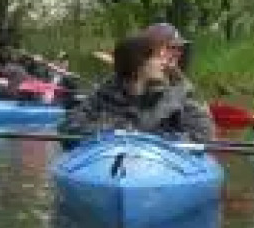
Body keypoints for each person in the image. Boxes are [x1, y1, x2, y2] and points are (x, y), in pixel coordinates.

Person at [58, 30, 215, 143]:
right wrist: (117, 129)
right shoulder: (106, 92)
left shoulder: (179, 92)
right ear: (139, 63)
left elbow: (202, 135)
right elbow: (68, 126)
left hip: (160, 164)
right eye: (158, 56)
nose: (164, 61)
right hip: (108, 159)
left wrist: (160, 137)